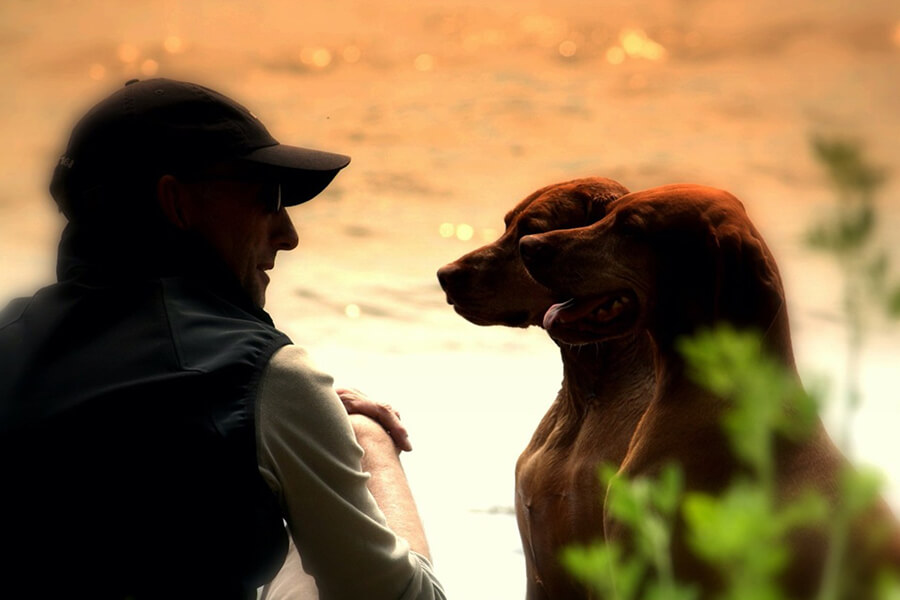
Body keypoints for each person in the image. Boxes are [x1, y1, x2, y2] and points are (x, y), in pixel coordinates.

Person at [0, 78, 446, 599]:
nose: (288, 234)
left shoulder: (10, 344)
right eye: (269, 198)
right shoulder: (262, 373)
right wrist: (365, 438)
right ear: (177, 202)